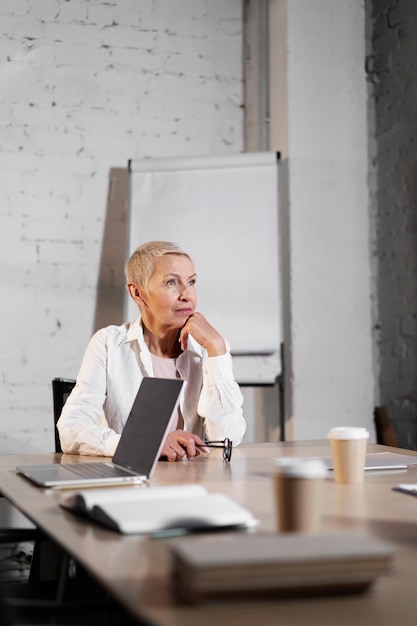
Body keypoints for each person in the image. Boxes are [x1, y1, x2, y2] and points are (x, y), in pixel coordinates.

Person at [57, 241, 246, 461]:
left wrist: (217, 348)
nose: (187, 294)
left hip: (196, 481)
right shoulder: (108, 344)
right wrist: (146, 444)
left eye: (191, 281)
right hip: (130, 481)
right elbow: (71, 431)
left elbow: (228, 438)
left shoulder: (210, 349)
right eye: (171, 282)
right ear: (137, 293)